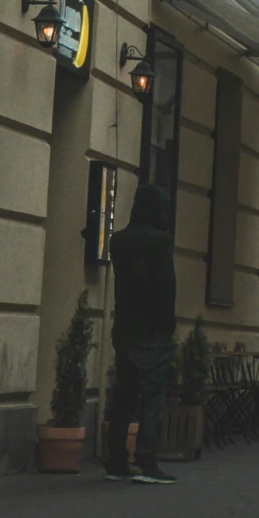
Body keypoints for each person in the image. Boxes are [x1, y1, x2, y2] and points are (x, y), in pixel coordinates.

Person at [105, 181, 179, 485]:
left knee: (123, 398)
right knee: (151, 400)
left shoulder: (118, 241)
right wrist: (167, 327)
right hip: (152, 333)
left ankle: (116, 461)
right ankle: (146, 462)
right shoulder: (160, 242)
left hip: (124, 329)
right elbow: (166, 288)